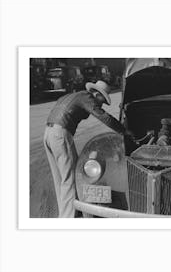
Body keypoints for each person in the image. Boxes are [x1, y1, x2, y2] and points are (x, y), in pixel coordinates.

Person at [43, 80, 130, 217]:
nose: (101, 104)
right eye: (102, 99)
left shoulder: (71, 96)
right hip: (61, 133)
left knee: (60, 178)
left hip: (48, 133)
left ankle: (66, 213)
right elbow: (103, 117)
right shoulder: (87, 97)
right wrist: (123, 131)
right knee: (70, 178)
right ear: (96, 93)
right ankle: (68, 220)